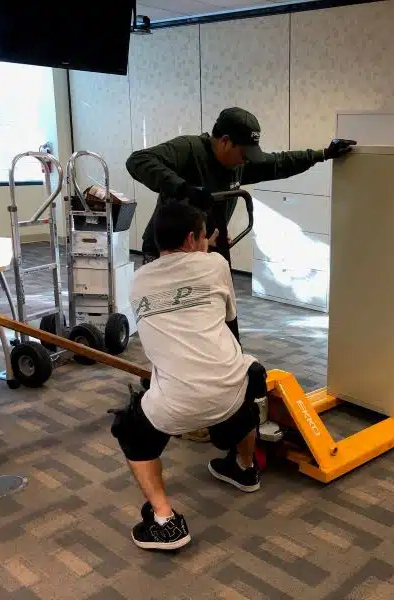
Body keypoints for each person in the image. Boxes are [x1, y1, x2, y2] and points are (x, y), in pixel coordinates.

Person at [110, 201, 269, 551]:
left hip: (178, 405)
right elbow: (229, 317)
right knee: (249, 375)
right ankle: (245, 467)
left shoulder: (137, 281)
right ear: (191, 238)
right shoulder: (216, 265)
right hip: (229, 393)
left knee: (129, 429)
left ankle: (166, 521)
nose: (207, 242)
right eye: (203, 236)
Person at [126, 106, 355, 265]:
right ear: (225, 140)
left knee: (221, 317)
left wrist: (323, 154)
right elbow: (138, 161)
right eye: (243, 152)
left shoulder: (240, 163)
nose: (246, 160)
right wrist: (183, 188)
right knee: (174, 323)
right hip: (167, 252)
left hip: (210, 245)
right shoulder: (189, 149)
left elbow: (280, 162)